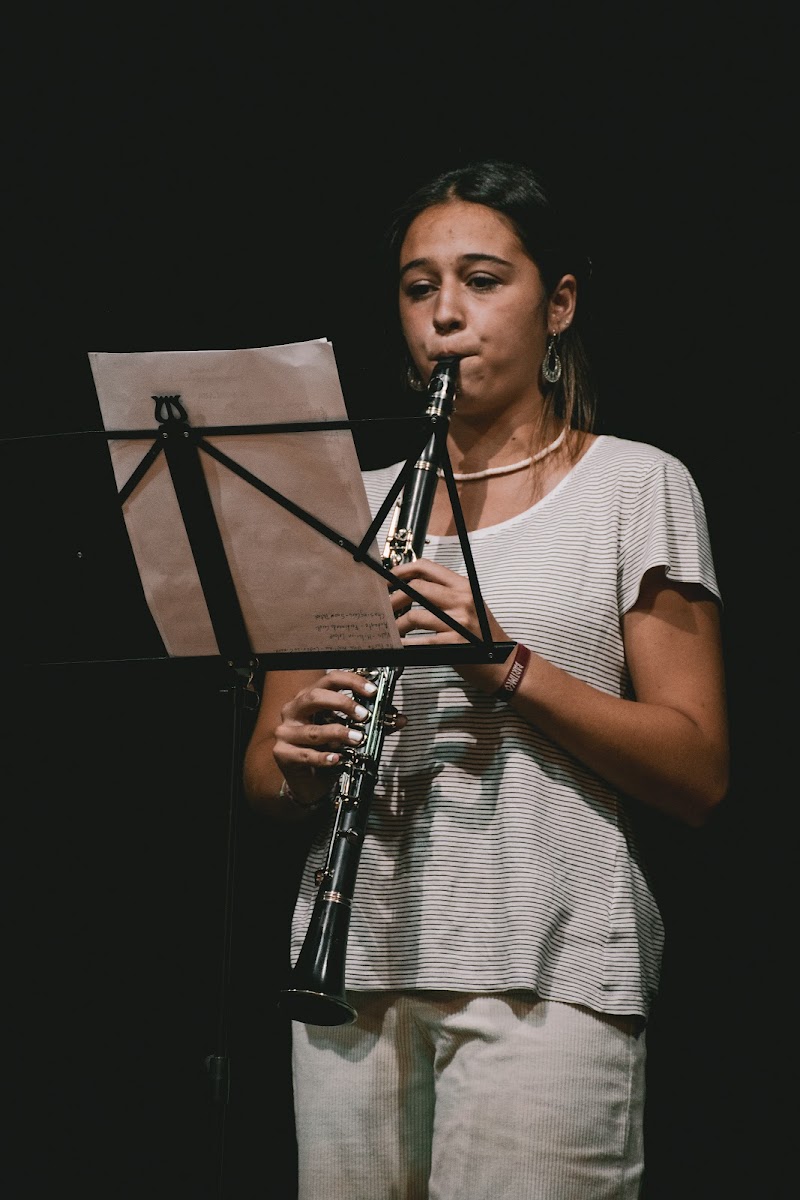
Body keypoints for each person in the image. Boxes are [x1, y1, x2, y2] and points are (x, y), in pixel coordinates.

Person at [242, 158, 729, 1200]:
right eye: (419, 289)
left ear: (556, 306)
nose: (444, 316)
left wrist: (499, 659)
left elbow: (696, 771)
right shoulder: (342, 506)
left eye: (481, 281)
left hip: (545, 980)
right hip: (351, 978)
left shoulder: (633, 484)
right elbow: (262, 785)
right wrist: (296, 756)